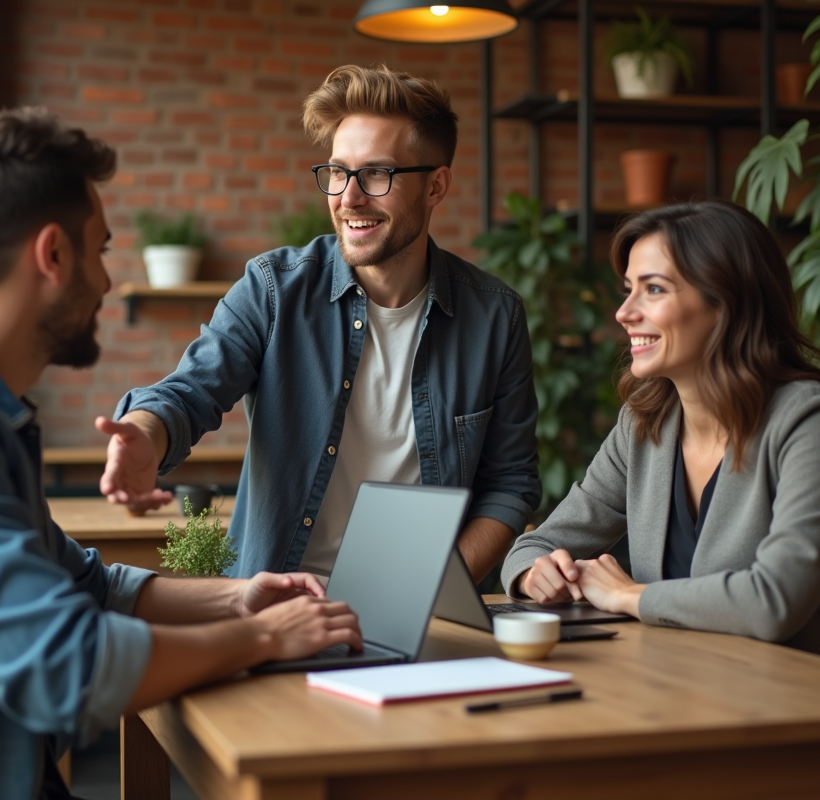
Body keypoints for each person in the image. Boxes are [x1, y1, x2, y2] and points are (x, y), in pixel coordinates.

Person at [0, 109, 363, 800]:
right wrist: (263, 639)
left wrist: (238, 601)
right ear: (52, 255)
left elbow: (89, 587)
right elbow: (66, 667)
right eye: (101, 250)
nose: (107, 281)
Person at [101, 64, 540, 582]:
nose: (348, 197)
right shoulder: (272, 289)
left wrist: (434, 589)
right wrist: (143, 435)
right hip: (279, 605)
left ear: (435, 186)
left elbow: (510, 483)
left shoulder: (495, 317)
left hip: (421, 614)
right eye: (337, 172)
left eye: (378, 174)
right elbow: (189, 392)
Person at [500, 200, 820, 673]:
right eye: (628, 289)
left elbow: (775, 601)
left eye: (653, 289)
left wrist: (630, 594)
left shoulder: (810, 421)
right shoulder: (644, 424)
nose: (624, 312)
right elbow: (536, 544)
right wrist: (536, 574)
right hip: (701, 687)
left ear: (724, 303)